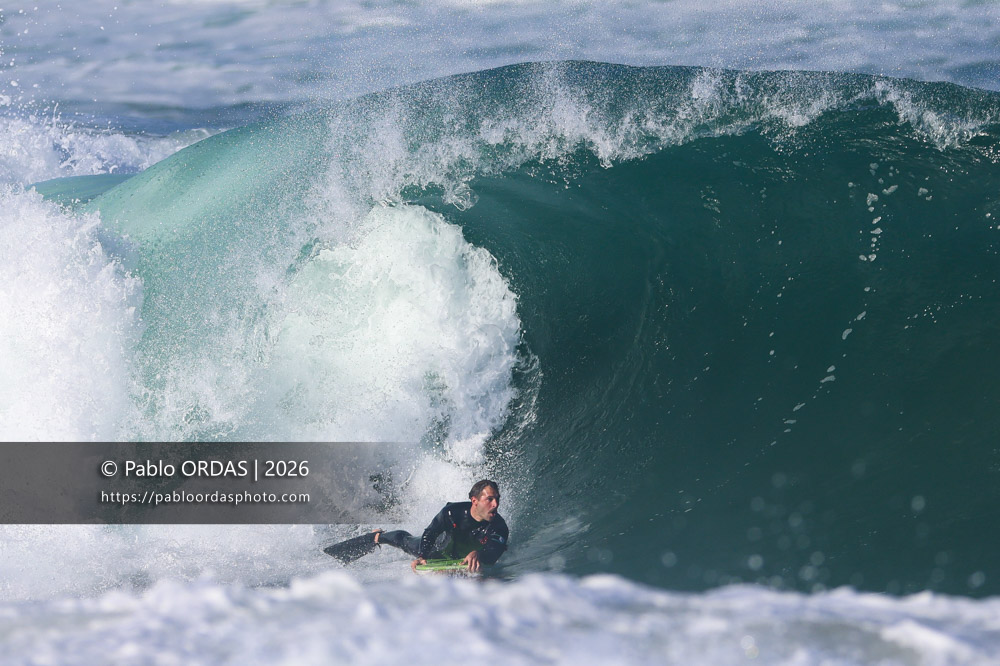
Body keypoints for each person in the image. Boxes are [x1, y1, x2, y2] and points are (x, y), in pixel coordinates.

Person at [375, 479, 508, 573]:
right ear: (474, 501)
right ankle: (379, 536)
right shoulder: (451, 512)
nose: (495, 504)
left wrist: (479, 554)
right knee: (405, 541)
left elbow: (495, 550)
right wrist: (423, 556)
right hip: (438, 549)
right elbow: (431, 532)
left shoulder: (499, 526)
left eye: (497, 499)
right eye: (490, 499)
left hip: (464, 556)